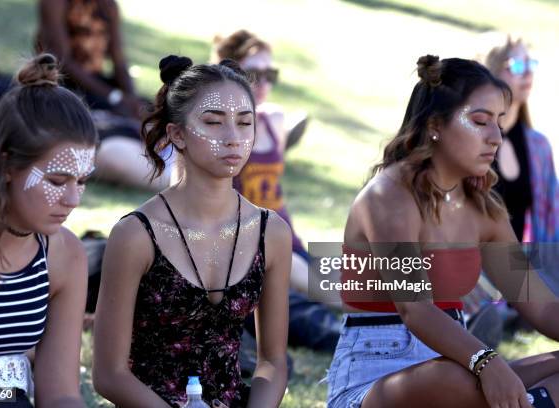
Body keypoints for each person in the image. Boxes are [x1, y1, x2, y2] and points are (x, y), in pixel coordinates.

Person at [327, 55, 559, 408]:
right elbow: (415, 310)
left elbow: (539, 306)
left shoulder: (485, 209)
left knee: (461, 378)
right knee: (451, 378)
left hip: (463, 371)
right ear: (435, 125)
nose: (496, 137)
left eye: (499, 122)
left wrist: (485, 366)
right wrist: (486, 361)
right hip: (374, 380)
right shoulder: (389, 196)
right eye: (480, 121)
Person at [92, 55, 290, 408]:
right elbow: (109, 374)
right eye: (214, 122)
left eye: (245, 123)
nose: (233, 138)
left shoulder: (270, 231)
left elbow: (272, 362)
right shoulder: (136, 235)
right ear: (177, 134)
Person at [0, 54, 96, 407]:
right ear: (7, 165)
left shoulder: (65, 254)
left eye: (83, 181)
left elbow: (60, 392)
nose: (73, 198)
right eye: (57, 180)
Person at [213, 29, 340, 352]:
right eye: (254, 73)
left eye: (271, 74)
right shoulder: (217, 130)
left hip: (288, 237)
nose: (264, 83)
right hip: (254, 243)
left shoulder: (275, 120)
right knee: (337, 294)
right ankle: (410, 321)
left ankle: (445, 306)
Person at [36, 0, 172, 190]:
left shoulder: (107, 6)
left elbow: (119, 60)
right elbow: (62, 61)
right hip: (60, 85)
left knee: (155, 113)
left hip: (96, 84)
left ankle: (162, 154)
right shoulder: (55, 3)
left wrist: (132, 101)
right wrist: (115, 97)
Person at [482, 34, 559, 292]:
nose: (527, 73)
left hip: (519, 273)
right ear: (491, 71)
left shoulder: (538, 147)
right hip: (473, 270)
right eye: (516, 65)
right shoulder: (470, 140)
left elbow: (552, 224)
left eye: (531, 64)